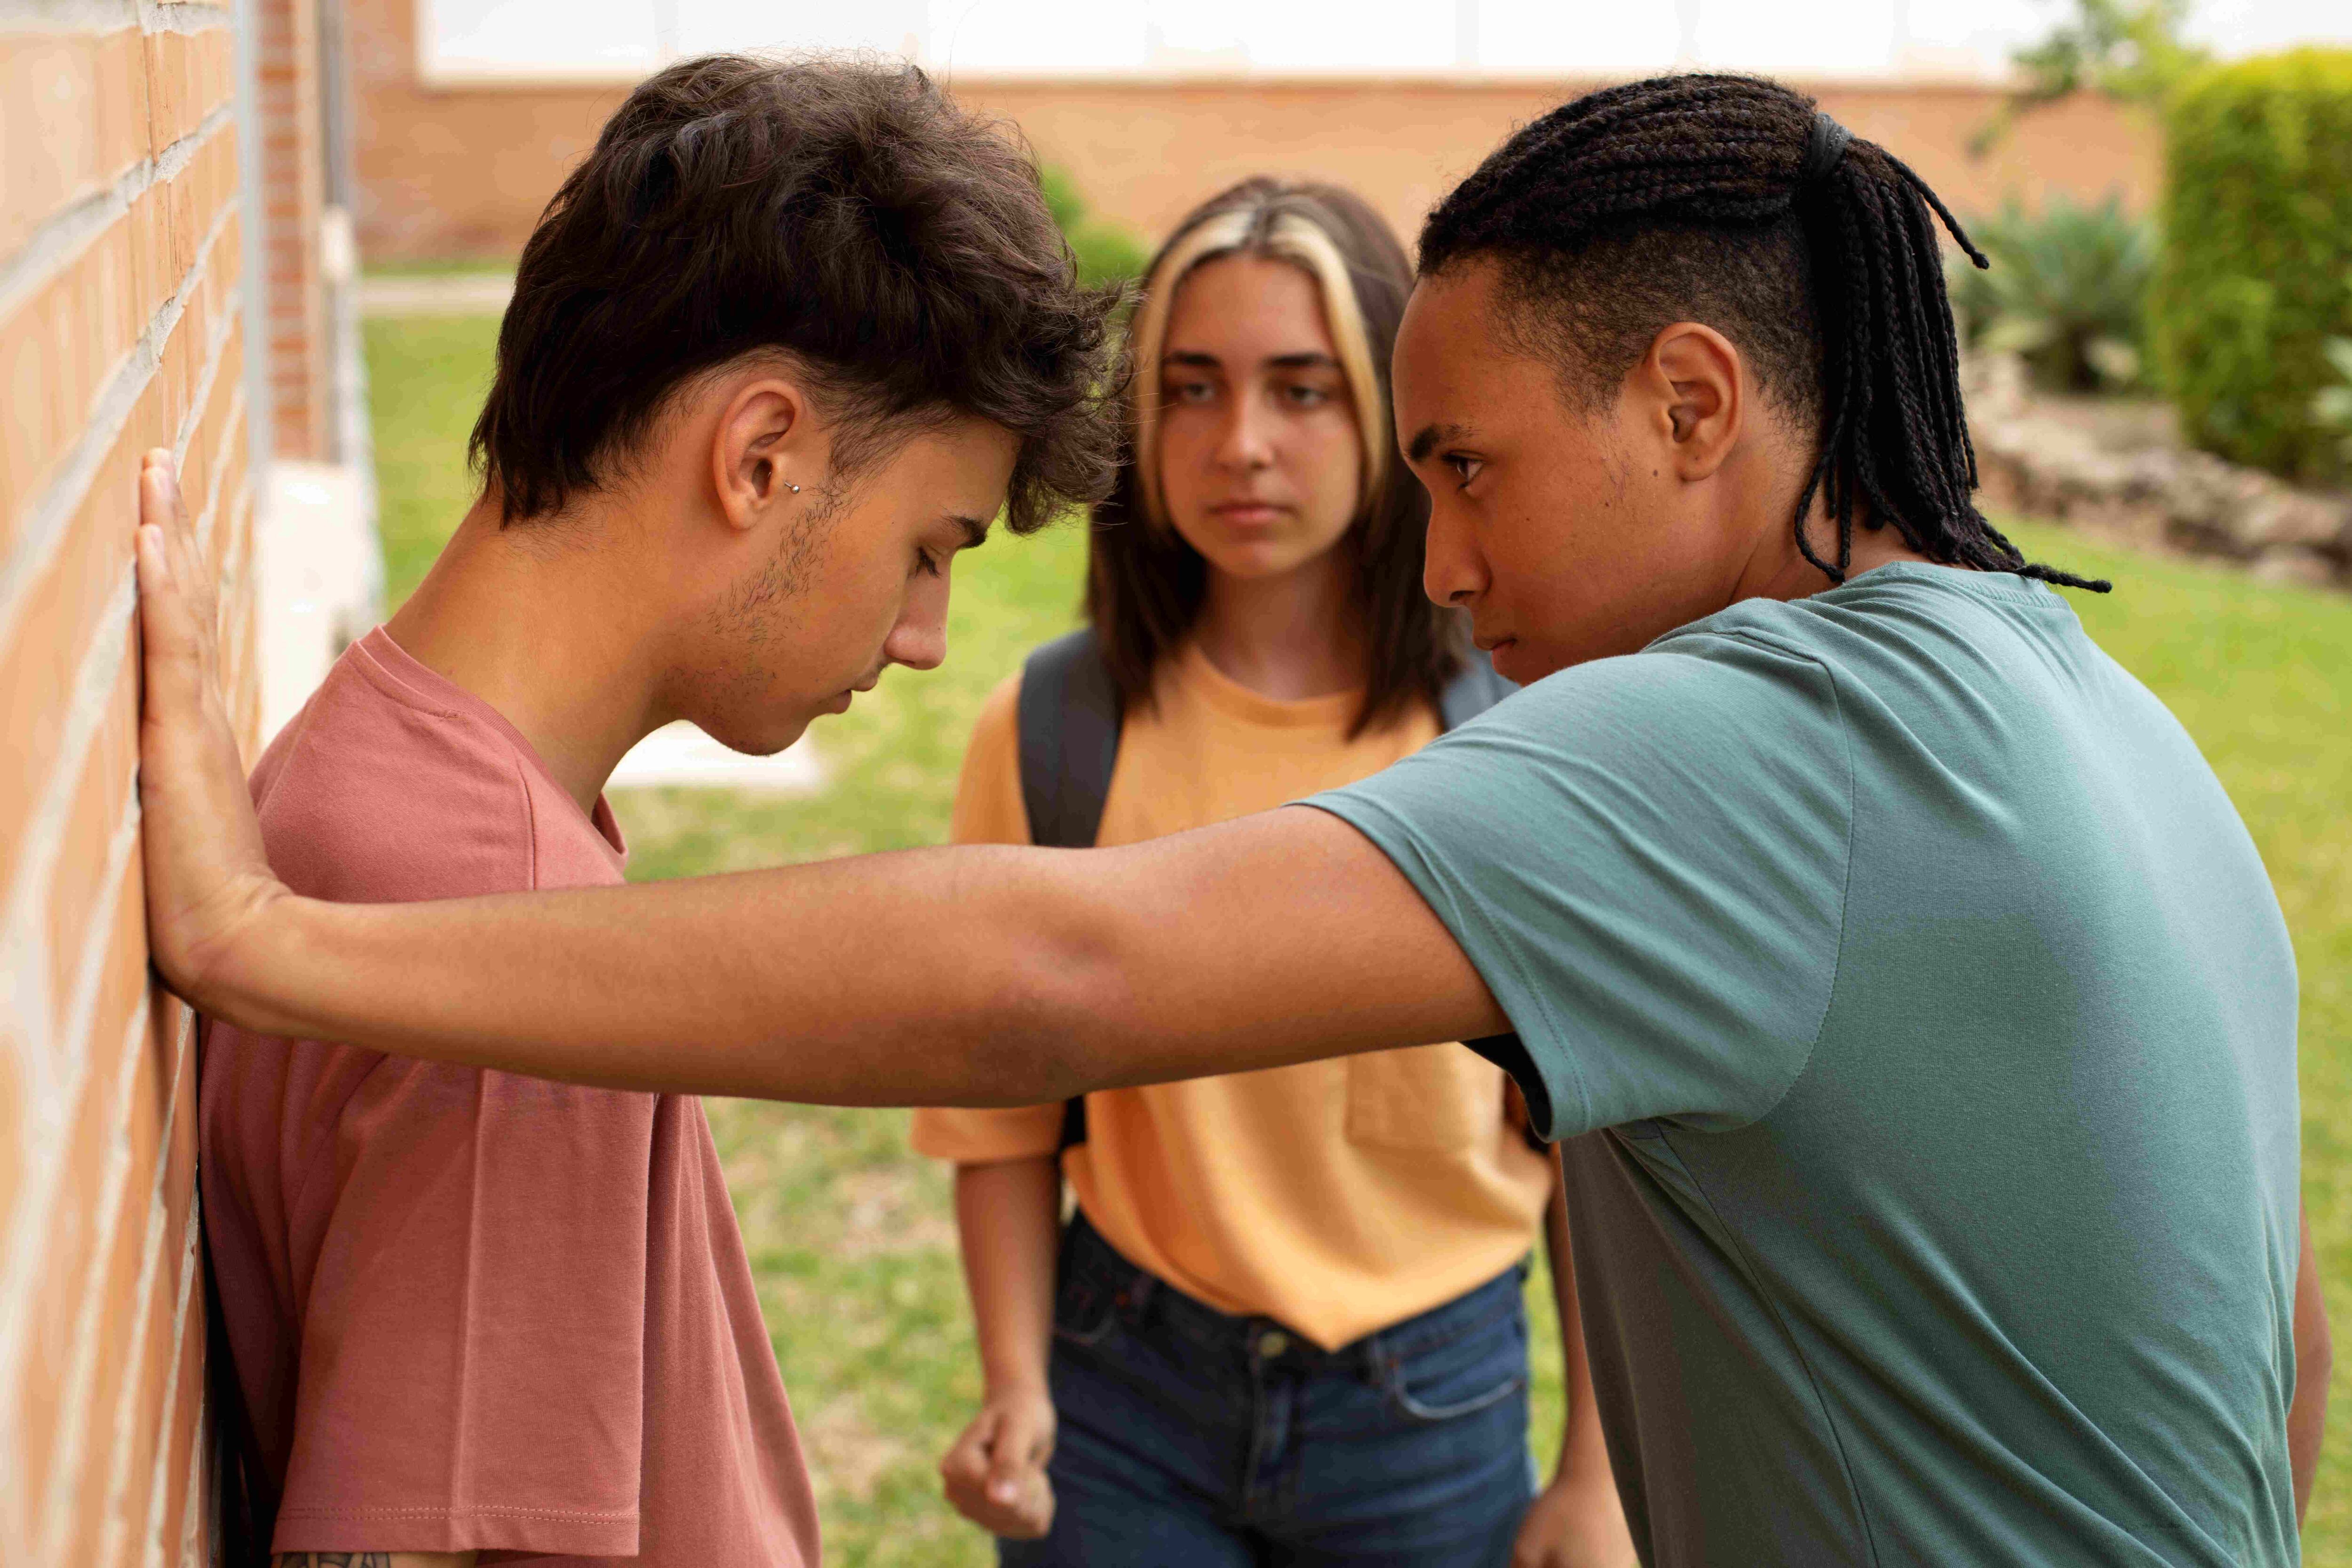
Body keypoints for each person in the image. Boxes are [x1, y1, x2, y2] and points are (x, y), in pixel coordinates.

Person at [137, 75, 2329, 1567]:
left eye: (1462, 466)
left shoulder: (1755, 747)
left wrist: (269, 943)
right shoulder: (2091, 711)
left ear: (1689, 404)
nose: (1438, 558)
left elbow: (1061, 968)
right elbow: (2279, 1351)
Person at [192, 54, 1116, 1568]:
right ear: (760, 457)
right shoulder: (495, 938)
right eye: (928, 549)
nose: (925, 637)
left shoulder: (401, 777)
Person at [915, 177, 1631, 1567]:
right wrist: (1015, 1385)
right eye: (1192, 388)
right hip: (1121, 1392)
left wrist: (1596, 1475)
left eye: (1302, 390)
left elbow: (1601, 1149)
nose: (1239, 443)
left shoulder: (1522, 741)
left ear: (1396, 415)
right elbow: (999, 1115)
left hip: (1431, 1404)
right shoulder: (1053, 732)